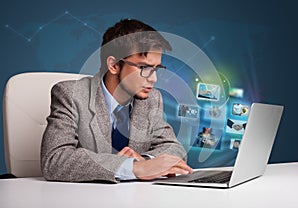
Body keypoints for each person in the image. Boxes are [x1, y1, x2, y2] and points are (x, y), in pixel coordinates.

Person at [40, 19, 193, 183]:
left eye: (156, 69)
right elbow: (54, 160)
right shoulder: (70, 94)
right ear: (113, 65)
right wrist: (133, 167)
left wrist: (146, 161)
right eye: (144, 68)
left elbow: (174, 148)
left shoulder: (151, 99)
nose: (154, 79)